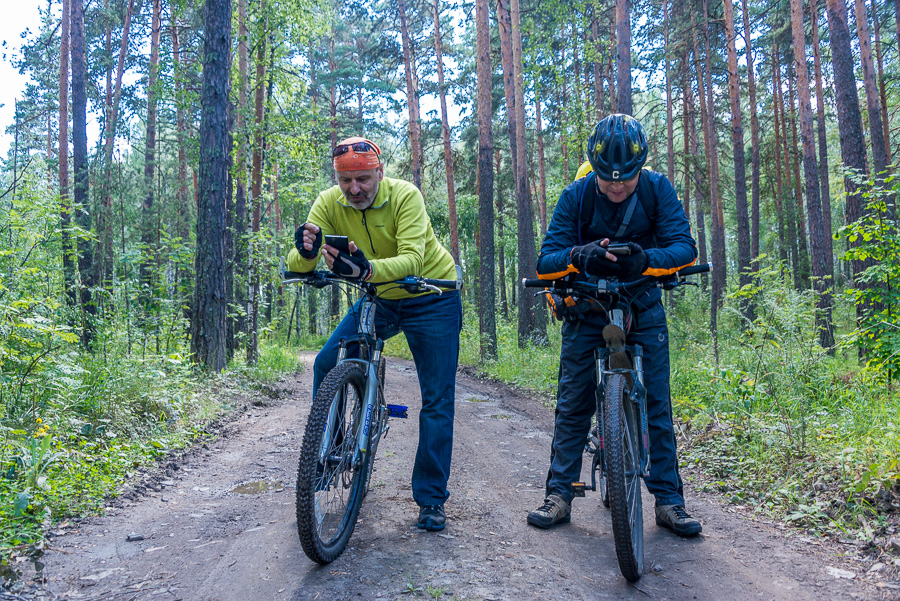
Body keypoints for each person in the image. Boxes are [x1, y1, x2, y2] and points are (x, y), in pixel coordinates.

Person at [526, 115, 702, 537]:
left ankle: (669, 502)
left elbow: (685, 248)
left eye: (626, 179)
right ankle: (560, 495)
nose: (617, 187)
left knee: (657, 403)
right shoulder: (576, 196)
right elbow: (545, 261)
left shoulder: (658, 190)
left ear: (642, 165)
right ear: (594, 168)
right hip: (587, 307)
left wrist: (646, 259)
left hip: (642, 304)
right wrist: (578, 255)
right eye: (607, 179)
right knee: (573, 404)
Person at [286, 137, 462, 532]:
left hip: (431, 294)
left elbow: (413, 258)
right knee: (327, 361)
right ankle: (329, 454)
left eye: (363, 179)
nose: (354, 190)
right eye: (346, 181)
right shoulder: (329, 202)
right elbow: (301, 262)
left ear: (379, 173)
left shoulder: (405, 197)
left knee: (436, 400)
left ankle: (431, 499)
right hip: (379, 296)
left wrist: (365, 271)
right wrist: (304, 250)